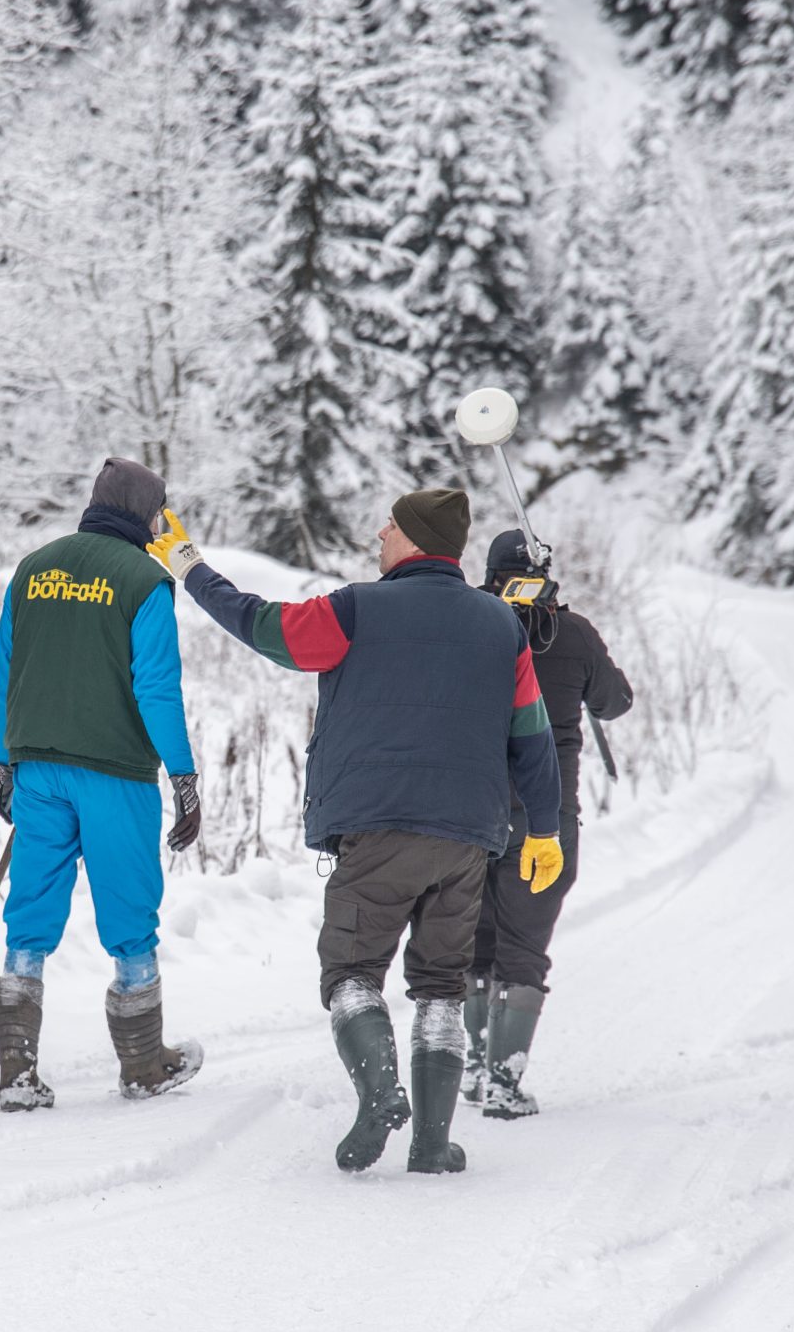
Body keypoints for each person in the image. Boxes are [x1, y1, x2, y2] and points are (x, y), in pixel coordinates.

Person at [153, 489, 562, 1174]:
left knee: (350, 972)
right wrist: (544, 830)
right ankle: (432, 1143)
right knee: (440, 984)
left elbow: (261, 625)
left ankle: (379, 1096)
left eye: (391, 525)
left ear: (415, 539)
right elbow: (534, 739)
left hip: (377, 829)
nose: (379, 532)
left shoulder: (356, 609)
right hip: (467, 838)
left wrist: (189, 565)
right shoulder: (502, 627)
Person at [0, 458, 204, 1110]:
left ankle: (16, 1075)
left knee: (29, 917)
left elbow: (3, 672)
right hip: (113, 773)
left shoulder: (33, 568)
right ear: (146, 515)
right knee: (129, 914)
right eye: (160, 513)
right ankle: (142, 1065)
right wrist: (185, 776)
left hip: (38, 769)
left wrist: (6, 761)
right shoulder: (146, 580)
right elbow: (157, 688)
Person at [462, 532, 634, 1118]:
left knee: (475, 939)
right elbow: (616, 702)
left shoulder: (470, 624)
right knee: (524, 946)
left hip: (474, 809)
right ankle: (502, 1084)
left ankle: (475, 1066)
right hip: (547, 814)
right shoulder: (574, 634)